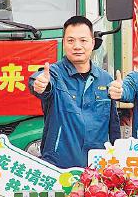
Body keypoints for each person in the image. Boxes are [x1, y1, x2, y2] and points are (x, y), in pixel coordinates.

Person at [29, 16, 119, 169]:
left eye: (83, 40)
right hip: (59, 167)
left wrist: (116, 158)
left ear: (93, 43)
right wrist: (39, 84)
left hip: (97, 167)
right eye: (71, 41)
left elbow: (113, 127)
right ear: (63, 43)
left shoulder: (105, 79)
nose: (77, 46)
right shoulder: (54, 74)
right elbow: (39, 81)